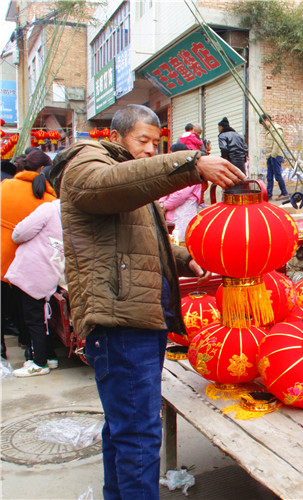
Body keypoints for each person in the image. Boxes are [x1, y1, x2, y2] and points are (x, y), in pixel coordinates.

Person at [49, 104, 244, 500]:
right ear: (116, 137)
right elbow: (105, 185)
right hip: (121, 321)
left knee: (123, 429)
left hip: (140, 316)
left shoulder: (131, 183)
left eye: (156, 144)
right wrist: (192, 164)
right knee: (139, 435)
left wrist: (190, 261)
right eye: (142, 141)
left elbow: (144, 245)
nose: (149, 151)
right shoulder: (88, 163)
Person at [1, 149, 56, 358]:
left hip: (3, 257)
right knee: (26, 312)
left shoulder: (6, 186)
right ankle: (31, 349)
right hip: (28, 264)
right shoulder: (48, 199)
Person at [5, 197, 64, 377]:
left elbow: (20, 233)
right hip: (54, 269)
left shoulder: (49, 208)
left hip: (34, 268)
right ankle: (49, 356)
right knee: (42, 316)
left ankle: (39, 363)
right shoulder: (74, 213)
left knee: (33, 317)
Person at [159, 143, 203, 244]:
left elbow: (181, 194)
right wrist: (161, 203)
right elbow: (164, 187)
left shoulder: (192, 171)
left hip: (184, 213)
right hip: (170, 212)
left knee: (183, 240)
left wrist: (165, 205)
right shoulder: (172, 170)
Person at [259, 114, 289, 200]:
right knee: (269, 176)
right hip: (270, 156)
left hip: (276, 155)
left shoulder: (276, 129)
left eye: (263, 124)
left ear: (266, 120)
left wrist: (273, 155)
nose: (263, 126)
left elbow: (278, 143)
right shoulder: (269, 130)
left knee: (277, 175)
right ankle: (268, 195)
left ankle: (284, 193)